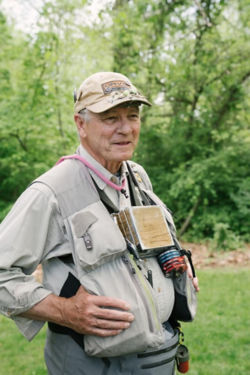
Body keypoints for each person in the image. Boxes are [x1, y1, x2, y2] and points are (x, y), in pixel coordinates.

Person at [0, 72, 199, 375]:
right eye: (110, 118)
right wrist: (65, 311)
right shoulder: (52, 191)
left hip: (158, 358)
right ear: (81, 124)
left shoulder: (137, 176)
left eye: (133, 116)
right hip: (93, 365)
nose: (125, 129)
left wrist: (174, 272)